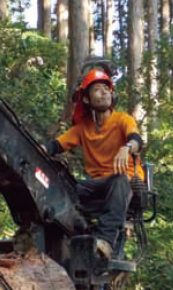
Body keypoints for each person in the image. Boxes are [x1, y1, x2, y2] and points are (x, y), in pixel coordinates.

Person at [43, 68, 144, 259]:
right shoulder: (83, 128)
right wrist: (39, 149)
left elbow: (136, 138)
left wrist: (127, 147)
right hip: (96, 184)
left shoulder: (123, 119)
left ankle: (105, 241)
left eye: (106, 88)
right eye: (97, 89)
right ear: (87, 99)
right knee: (61, 184)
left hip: (122, 181)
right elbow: (57, 145)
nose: (104, 92)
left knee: (120, 180)